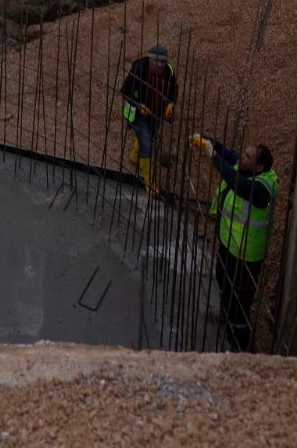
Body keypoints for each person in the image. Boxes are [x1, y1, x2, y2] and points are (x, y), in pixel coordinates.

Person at [192, 135, 277, 352]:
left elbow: (237, 184)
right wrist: (206, 140)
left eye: (247, 156)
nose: (242, 157)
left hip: (245, 255)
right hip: (229, 243)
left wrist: (213, 156)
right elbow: (227, 153)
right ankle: (226, 316)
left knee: (239, 301)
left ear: (259, 166)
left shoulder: (263, 190)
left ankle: (239, 346)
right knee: (222, 278)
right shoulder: (246, 166)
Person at [119, 43, 176, 194]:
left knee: (150, 138)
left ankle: (134, 156)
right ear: (150, 59)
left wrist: (170, 103)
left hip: (157, 113)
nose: (160, 64)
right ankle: (149, 183)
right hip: (139, 115)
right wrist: (139, 105)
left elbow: (173, 90)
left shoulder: (169, 71)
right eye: (156, 61)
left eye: (163, 61)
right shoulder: (138, 70)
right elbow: (124, 91)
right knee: (147, 145)